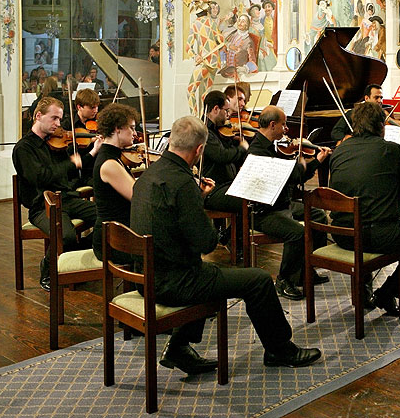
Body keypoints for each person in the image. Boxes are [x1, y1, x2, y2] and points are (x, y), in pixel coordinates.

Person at [130, 116, 321, 374]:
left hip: (144, 276)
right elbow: (207, 243)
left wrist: (196, 201)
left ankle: (178, 347)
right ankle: (280, 349)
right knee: (259, 280)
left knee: (212, 275)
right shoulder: (182, 183)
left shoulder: (147, 174)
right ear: (199, 150)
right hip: (174, 282)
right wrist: (199, 202)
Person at [329, 101, 400, 315]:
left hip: (341, 232)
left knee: (375, 218)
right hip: (376, 235)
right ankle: (387, 293)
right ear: (382, 126)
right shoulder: (390, 149)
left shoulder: (340, 149)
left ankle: (368, 293)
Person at [12, 97, 98, 291]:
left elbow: (72, 173)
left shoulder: (57, 143)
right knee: (65, 235)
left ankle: (75, 257)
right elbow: (41, 177)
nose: (59, 124)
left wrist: (91, 151)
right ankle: (48, 269)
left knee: (107, 218)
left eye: (60, 119)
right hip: (42, 205)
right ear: (38, 116)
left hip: (67, 198)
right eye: (54, 119)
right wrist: (70, 163)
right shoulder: (24, 148)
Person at [247, 106, 332, 300]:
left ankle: (304, 271)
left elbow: (295, 177)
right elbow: (292, 175)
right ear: (272, 124)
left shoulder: (273, 146)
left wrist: (316, 160)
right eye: (284, 124)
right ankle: (284, 280)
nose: (286, 130)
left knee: (317, 215)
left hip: (282, 204)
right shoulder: (258, 151)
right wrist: (301, 161)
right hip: (265, 211)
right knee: (297, 233)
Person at [201, 90, 249, 254]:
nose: (229, 115)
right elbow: (221, 156)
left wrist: (235, 143)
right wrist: (242, 148)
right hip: (214, 189)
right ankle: (230, 238)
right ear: (215, 109)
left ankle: (229, 237)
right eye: (226, 111)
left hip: (227, 184)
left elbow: (231, 156)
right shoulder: (205, 132)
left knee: (251, 199)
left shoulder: (219, 131)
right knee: (246, 203)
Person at [92, 103, 139, 263]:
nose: (135, 133)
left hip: (121, 231)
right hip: (111, 240)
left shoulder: (115, 157)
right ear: (117, 128)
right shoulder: (109, 163)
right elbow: (137, 196)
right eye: (131, 128)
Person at [186, 1, 225, 117]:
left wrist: (195, 55)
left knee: (190, 90)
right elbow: (221, 41)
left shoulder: (195, 24)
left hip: (204, 62)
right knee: (206, 94)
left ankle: (195, 118)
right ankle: (205, 120)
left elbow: (188, 47)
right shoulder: (212, 23)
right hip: (214, 62)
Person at [62, 87, 103, 187]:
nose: (96, 111)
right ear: (79, 107)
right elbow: (72, 158)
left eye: (97, 107)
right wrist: (93, 147)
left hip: (99, 168)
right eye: (92, 108)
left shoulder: (97, 124)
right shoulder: (68, 126)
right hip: (81, 174)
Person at [220, 14, 258, 78]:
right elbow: (223, 48)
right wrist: (223, 61)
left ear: (247, 25)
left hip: (239, 74)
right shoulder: (232, 35)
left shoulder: (248, 41)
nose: (240, 23)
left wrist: (243, 69)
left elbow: (253, 62)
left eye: (243, 21)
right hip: (226, 72)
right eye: (239, 21)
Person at [258, 0, 278, 72]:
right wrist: (266, 43)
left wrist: (274, 44)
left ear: (272, 8)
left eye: (269, 7)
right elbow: (260, 35)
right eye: (265, 7)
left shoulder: (275, 20)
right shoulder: (261, 20)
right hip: (266, 45)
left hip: (275, 44)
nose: (267, 9)